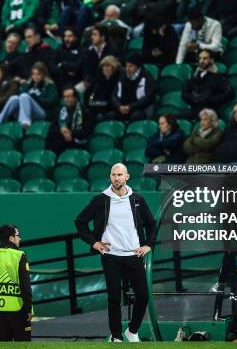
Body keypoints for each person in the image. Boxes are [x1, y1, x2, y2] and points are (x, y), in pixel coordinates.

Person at [75, 163, 156, 342]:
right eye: (113, 174)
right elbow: (80, 222)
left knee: (143, 295)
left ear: (127, 177)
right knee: (114, 297)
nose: (116, 178)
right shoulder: (100, 200)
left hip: (134, 255)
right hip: (111, 256)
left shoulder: (138, 200)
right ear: (110, 177)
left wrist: (149, 244)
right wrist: (94, 242)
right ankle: (117, 336)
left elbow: (151, 224)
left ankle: (132, 331)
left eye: (120, 174)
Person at [0, 224, 32, 341]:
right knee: (23, 342)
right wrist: (29, 309)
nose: (20, 239)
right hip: (17, 308)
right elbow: (25, 286)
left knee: (3, 341)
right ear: (11, 238)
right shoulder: (19, 256)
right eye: (18, 235)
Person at [0, 62, 58, 129]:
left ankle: (25, 121)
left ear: (43, 74)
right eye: (33, 74)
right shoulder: (29, 84)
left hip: (42, 112)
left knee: (25, 96)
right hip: (25, 112)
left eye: (38, 74)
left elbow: (52, 101)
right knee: (14, 98)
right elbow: (20, 97)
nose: (35, 76)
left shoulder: (50, 85)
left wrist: (38, 100)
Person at [181, 49, 234, 118]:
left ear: (211, 60)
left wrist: (211, 100)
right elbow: (184, 93)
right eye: (200, 58)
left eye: (205, 58)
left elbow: (230, 93)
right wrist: (193, 99)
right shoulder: (195, 76)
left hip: (210, 110)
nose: (201, 61)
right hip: (195, 108)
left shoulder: (218, 77)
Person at [108, 53, 156, 122]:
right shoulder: (122, 76)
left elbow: (148, 98)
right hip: (122, 108)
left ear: (138, 67)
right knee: (109, 116)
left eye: (131, 66)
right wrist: (119, 106)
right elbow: (114, 95)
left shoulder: (147, 77)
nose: (127, 69)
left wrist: (131, 107)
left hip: (139, 109)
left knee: (136, 116)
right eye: (126, 66)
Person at [47, 87, 91, 154]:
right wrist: (62, 130)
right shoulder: (60, 110)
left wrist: (71, 133)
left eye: (69, 97)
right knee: (52, 137)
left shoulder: (84, 111)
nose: (66, 99)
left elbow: (87, 130)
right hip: (62, 138)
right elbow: (52, 127)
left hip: (76, 139)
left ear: (75, 98)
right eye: (65, 97)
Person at [84, 55, 121, 122]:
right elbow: (88, 93)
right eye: (104, 66)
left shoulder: (119, 79)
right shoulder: (98, 78)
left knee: (107, 116)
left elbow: (116, 98)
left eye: (108, 66)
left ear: (114, 68)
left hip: (111, 108)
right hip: (97, 106)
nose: (106, 68)